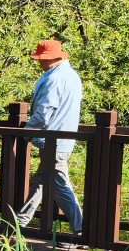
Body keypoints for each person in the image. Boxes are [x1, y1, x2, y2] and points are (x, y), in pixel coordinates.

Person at [15, 39, 84, 240]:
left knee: (60, 186)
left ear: (51, 59)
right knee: (40, 182)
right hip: (61, 139)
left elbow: (44, 113)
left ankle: (81, 232)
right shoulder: (71, 76)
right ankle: (20, 223)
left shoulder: (55, 78)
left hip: (54, 141)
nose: (39, 62)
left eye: (41, 59)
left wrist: (27, 131)